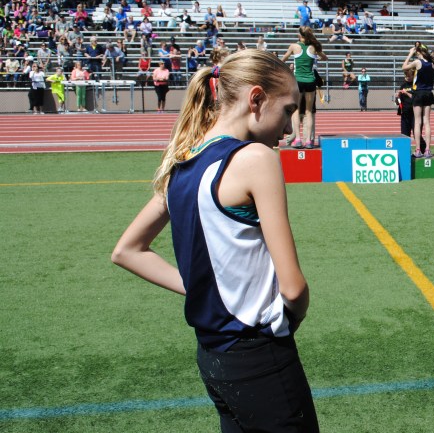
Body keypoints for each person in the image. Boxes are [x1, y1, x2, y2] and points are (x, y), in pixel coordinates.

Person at [111, 49, 319, 433]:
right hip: (260, 357)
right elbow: (293, 288)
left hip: (212, 359)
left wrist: (199, 289)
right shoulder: (256, 158)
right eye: (287, 110)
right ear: (256, 99)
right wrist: (294, 315)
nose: (289, 129)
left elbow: (127, 251)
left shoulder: (181, 162)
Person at [282, 26, 328, 149]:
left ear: (299, 35)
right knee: (308, 112)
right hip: (310, 81)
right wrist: (315, 57)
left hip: (297, 81)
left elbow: (283, 59)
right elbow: (325, 58)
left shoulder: (294, 47)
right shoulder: (313, 47)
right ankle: (308, 141)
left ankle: (297, 139)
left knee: (296, 111)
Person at [402, 43, 434, 158]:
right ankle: (428, 149)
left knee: (417, 122)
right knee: (427, 122)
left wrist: (410, 54)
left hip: (418, 93)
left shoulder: (417, 62)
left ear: (419, 52)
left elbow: (404, 67)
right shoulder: (432, 64)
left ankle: (418, 150)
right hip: (429, 93)